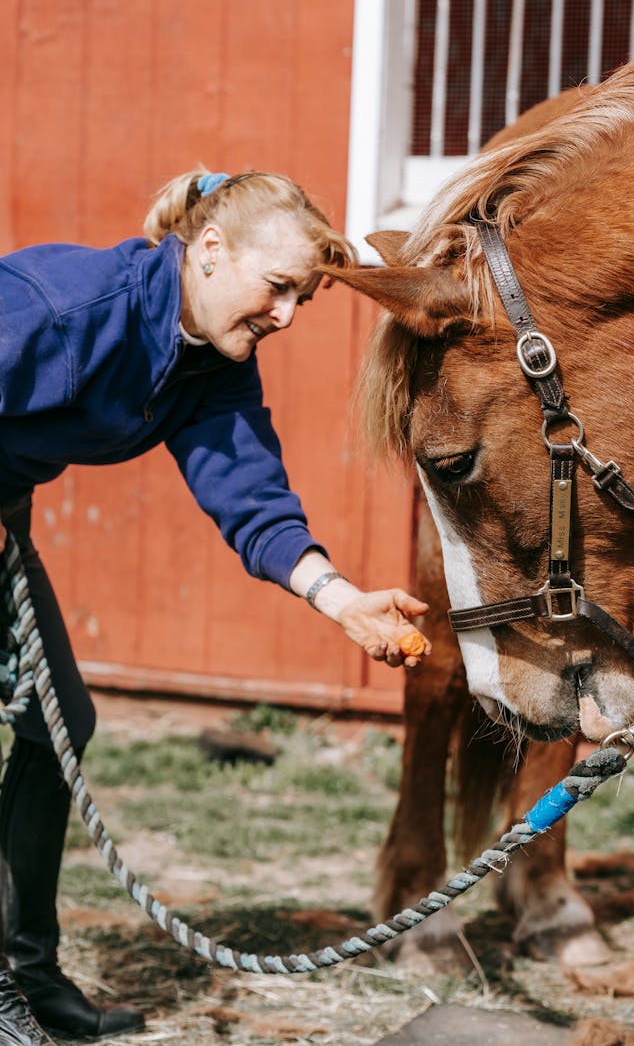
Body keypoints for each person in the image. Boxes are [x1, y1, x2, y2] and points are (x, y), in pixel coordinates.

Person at [0, 168, 431, 1044]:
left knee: (57, 725)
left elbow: (251, 497)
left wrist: (342, 602)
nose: (286, 316)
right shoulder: (66, 306)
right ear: (209, 250)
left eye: (302, 300)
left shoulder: (207, 365)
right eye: (278, 289)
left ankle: (27, 969)